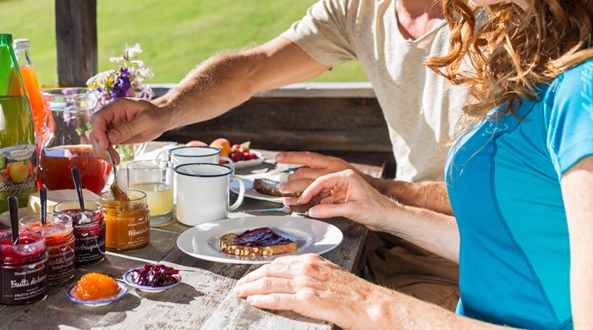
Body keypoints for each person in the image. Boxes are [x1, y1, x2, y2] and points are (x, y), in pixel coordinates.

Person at [234, 0, 593, 327]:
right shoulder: (545, 58)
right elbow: (525, 245)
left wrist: (368, 304)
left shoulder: (583, 91)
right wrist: (385, 211)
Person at [91, 0, 462, 308]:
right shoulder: (360, 9)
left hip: (459, 260)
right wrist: (165, 110)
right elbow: (252, 68)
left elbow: (512, 196)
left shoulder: (499, 24)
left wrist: (378, 189)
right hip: (383, 240)